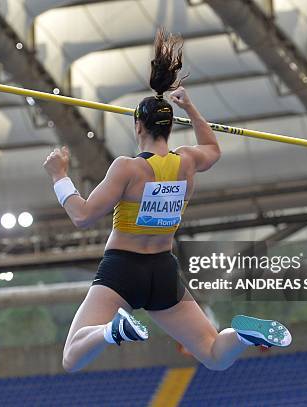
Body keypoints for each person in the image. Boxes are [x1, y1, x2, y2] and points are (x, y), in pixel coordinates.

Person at [43, 28, 291, 373]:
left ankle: (110, 331)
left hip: (122, 270)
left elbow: (82, 216)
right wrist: (189, 105)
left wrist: (59, 176)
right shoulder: (187, 162)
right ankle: (243, 336)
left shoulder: (128, 169)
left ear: (138, 126)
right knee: (216, 355)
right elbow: (214, 149)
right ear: (171, 127)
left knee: (71, 357)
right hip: (162, 270)